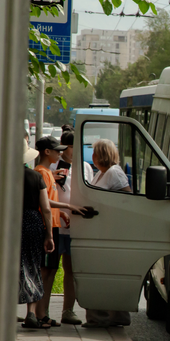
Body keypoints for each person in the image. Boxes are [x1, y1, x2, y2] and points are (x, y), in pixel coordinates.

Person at [28, 136, 85, 328]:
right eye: (57, 150)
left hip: (53, 224)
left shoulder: (48, 173)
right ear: (47, 152)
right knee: (44, 271)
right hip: (46, 227)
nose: (60, 153)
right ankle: (38, 313)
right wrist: (67, 206)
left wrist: (60, 212)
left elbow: (48, 203)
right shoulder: (41, 173)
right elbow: (43, 204)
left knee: (51, 271)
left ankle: (41, 313)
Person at [83, 139, 133, 328]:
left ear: (99, 155)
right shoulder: (101, 174)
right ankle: (106, 316)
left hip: (110, 232)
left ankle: (102, 317)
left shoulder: (113, 173)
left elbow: (126, 200)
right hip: (100, 230)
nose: (92, 156)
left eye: (94, 152)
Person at [49, 129, 93, 325]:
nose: (76, 151)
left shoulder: (85, 167)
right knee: (49, 269)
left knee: (71, 269)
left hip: (77, 227)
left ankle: (68, 310)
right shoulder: (52, 166)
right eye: (73, 147)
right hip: (56, 225)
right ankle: (42, 310)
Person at [20, 139, 54, 328]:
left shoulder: (3, 176)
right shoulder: (36, 177)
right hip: (32, 222)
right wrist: (49, 234)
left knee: (11, 266)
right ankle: (31, 313)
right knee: (32, 265)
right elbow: (46, 208)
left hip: (11, 222)